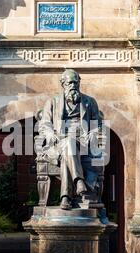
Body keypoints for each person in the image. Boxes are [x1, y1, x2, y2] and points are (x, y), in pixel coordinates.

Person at [38, 69, 103, 210]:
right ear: (63, 84)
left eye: (75, 82)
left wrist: (93, 132)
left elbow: (96, 123)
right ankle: (79, 181)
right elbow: (44, 124)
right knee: (68, 143)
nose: (73, 85)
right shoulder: (52, 102)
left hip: (83, 142)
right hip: (58, 143)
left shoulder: (90, 102)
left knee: (69, 145)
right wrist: (49, 133)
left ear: (79, 83)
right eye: (69, 83)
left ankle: (66, 197)